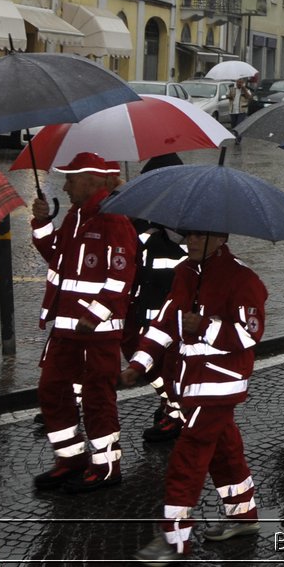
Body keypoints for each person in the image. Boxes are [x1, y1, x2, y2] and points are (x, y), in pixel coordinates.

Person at [121, 230, 265, 563]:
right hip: (191, 381)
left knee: (188, 457)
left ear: (221, 238)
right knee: (224, 449)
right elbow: (164, 322)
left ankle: (174, 539)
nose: (192, 241)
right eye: (190, 234)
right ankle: (243, 515)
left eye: (200, 236)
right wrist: (138, 364)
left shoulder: (242, 278)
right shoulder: (186, 272)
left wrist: (204, 326)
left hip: (219, 384)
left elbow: (250, 333)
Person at [31, 152, 138, 495]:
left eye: (71, 178)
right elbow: (56, 257)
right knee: (53, 390)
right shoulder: (76, 216)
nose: (66, 184)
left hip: (97, 334)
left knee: (96, 399)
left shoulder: (114, 220)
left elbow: (121, 277)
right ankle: (71, 459)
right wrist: (41, 222)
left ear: (93, 180)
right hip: (66, 331)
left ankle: (107, 466)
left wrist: (93, 317)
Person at [128, 153, 188, 443]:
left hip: (175, 304)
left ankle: (177, 415)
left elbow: (189, 251)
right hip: (147, 301)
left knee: (172, 364)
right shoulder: (144, 215)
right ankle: (169, 406)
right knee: (149, 358)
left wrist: (164, 233)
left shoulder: (190, 215)